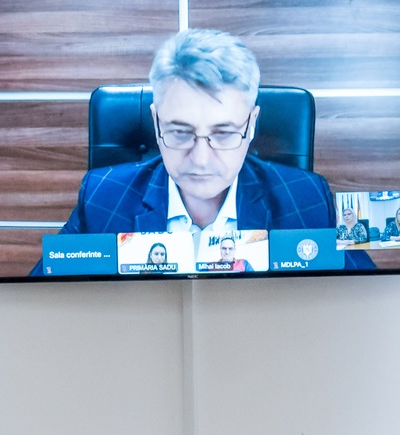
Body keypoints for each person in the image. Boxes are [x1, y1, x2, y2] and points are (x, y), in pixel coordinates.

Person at [42, 28, 372, 272]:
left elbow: (363, 308)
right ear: (156, 122)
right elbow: (43, 307)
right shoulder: (101, 197)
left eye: (224, 133)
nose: (200, 159)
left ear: (251, 125)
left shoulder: (309, 200)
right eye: (180, 132)